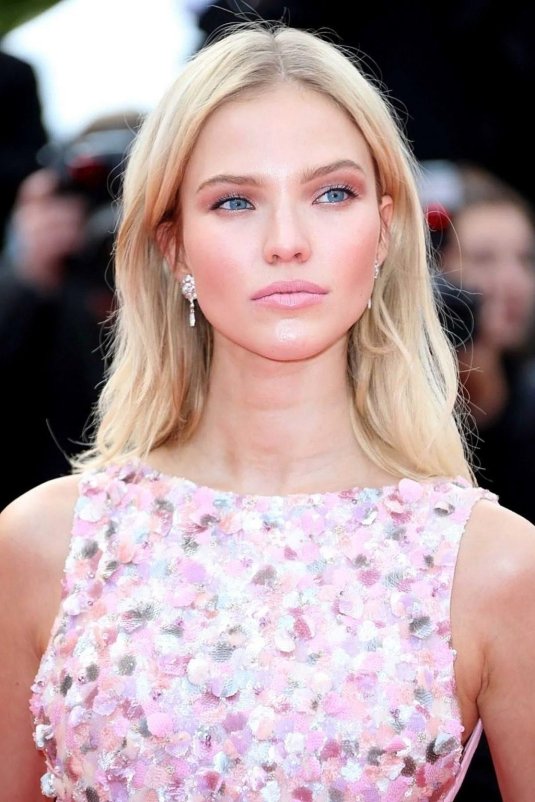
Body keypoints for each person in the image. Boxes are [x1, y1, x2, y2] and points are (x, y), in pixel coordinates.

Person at [0, 22, 534, 802]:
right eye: (235, 201)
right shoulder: (42, 546)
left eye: (331, 194)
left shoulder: (492, 565)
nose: (286, 241)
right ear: (173, 246)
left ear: (384, 231)